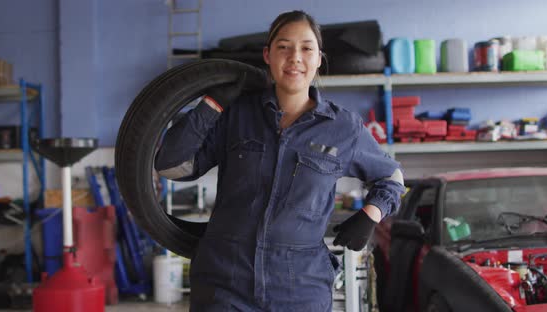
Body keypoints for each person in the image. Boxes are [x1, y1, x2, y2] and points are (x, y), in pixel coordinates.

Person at [155, 10, 405, 311]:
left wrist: (372, 213)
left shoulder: (343, 128)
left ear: (319, 58)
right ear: (267, 55)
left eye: (306, 48)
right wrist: (211, 104)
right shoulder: (237, 114)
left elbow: (391, 177)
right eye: (284, 47)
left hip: (300, 286)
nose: (295, 57)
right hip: (225, 282)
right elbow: (171, 165)